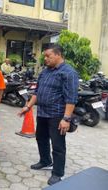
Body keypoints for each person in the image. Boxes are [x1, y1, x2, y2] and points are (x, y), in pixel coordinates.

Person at [19, 44, 79, 185]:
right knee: (41, 138)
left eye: (48, 56)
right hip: (43, 113)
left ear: (58, 55)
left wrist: (66, 119)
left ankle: (58, 173)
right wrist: (28, 106)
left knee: (58, 145)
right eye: (45, 56)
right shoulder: (45, 71)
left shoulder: (68, 73)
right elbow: (37, 92)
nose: (45, 58)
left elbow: (71, 98)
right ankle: (45, 161)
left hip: (57, 115)